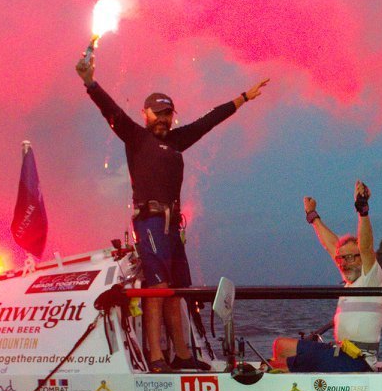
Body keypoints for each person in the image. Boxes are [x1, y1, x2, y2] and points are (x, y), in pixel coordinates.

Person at [76, 49, 269, 371]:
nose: (164, 119)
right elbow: (110, 110)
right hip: (150, 221)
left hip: (172, 226)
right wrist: (89, 82)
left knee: (179, 290)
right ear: (147, 114)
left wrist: (244, 98)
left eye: (168, 114)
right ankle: (155, 356)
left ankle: (182, 354)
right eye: (158, 113)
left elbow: (208, 121)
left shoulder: (178, 140)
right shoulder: (135, 137)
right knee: (158, 289)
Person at [271, 181, 382, 372]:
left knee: (278, 366)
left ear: (362, 258)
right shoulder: (350, 277)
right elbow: (331, 244)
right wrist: (312, 216)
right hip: (338, 351)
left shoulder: (371, 276)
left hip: (358, 361)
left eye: (351, 257)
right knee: (280, 346)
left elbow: (366, 246)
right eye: (342, 259)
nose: (345, 262)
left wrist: (363, 211)